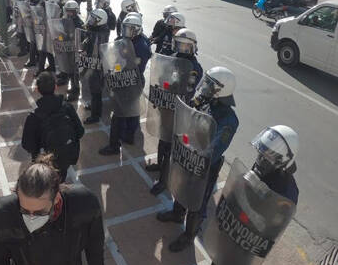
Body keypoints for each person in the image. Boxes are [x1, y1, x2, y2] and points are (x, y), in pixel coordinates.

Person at [194, 125, 299, 265]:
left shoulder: (289, 191)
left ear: (283, 160)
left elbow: (275, 223)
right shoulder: (263, 168)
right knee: (220, 257)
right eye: (262, 152)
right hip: (237, 223)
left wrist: (262, 199)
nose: (261, 159)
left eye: (267, 156)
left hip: (251, 237)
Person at [155, 66, 239, 252]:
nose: (206, 87)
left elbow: (214, 149)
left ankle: (189, 235)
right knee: (182, 186)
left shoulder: (229, 119)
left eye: (211, 85)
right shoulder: (207, 103)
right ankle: (177, 213)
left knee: (197, 200)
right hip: (189, 153)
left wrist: (193, 150)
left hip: (205, 166)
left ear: (221, 90)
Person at [148, 28, 203, 195]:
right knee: (162, 138)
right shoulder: (171, 58)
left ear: (193, 47)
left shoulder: (194, 67)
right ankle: (159, 163)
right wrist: (160, 93)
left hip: (180, 109)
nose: (183, 49)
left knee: (171, 146)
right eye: (180, 44)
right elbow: (161, 76)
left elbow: (189, 88)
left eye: (187, 46)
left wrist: (175, 83)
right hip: (167, 105)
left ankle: (164, 180)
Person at [99, 15, 151, 156]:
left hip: (132, 80)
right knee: (131, 111)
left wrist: (116, 68)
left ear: (138, 30)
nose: (126, 32)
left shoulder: (141, 46)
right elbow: (115, 58)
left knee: (119, 114)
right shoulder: (125, 41)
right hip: (125, 78)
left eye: (130, 29)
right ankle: (128, 136)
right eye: (125, 28)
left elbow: (129, 64)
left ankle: (114, 145)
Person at [21, 71, 85, 183]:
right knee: (60, 182)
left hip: (44, 164)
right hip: (65, 158)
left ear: (37, 89)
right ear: (55, 87)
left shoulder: (34, 116)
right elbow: (80, 131)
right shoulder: (67, 107)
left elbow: (27, 144)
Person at [80, 9, 110, 124]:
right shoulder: (97, 30)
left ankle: (95, 115)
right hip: (93, 63)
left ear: (100, 21)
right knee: (93, 90)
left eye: (94, 19)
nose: (91, 21)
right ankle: (94, 107)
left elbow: (94, 50)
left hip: (97, 65)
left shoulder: (100, 34)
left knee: (96, 91)